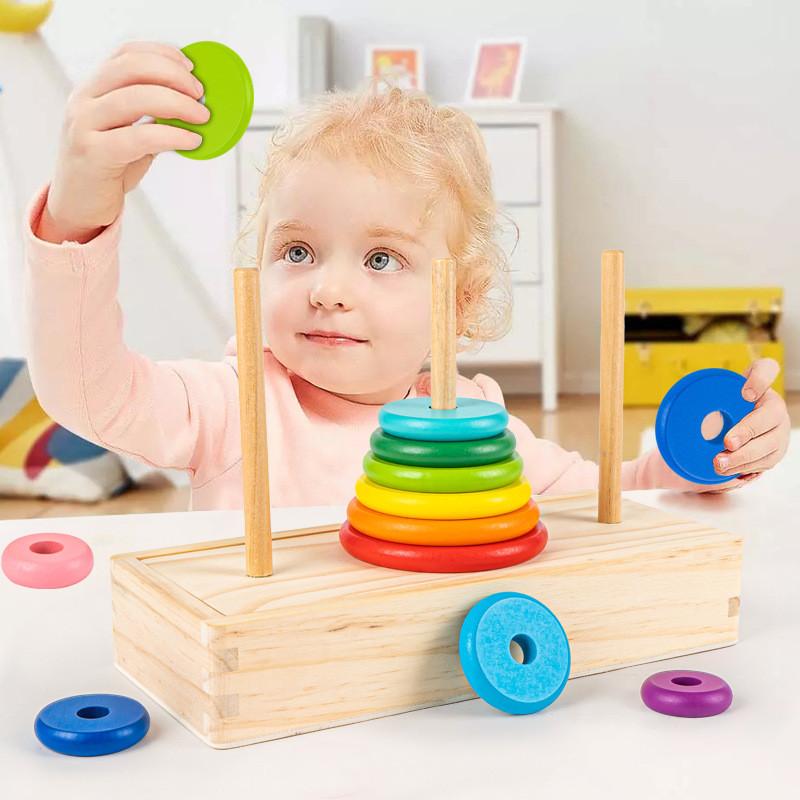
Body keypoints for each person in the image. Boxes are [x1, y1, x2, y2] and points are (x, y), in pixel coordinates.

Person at [22, 41, 791, 511]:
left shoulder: (478, 426)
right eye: (296, 251)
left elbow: (614, 499)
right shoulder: (236, 404)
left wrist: (707, 458)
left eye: (381, 258)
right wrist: (78, 213)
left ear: (459, 302)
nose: (327, 287)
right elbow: (87, 393)